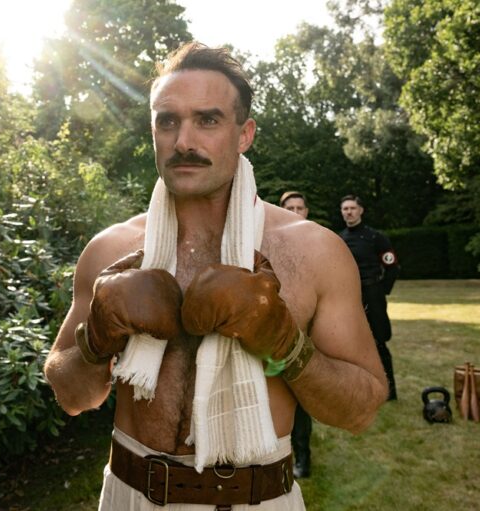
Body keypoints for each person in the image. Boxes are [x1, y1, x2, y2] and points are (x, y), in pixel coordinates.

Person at [44, 42, 388, 510]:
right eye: (168, 121)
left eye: (207, 120)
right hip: (129, 494)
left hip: (256, 499)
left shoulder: (314, 252)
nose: (183, 141)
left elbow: (361, 410)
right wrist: (96, 339)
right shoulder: (111, 251)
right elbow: (70, 394)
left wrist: (287, 346)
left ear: (244, 134)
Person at [338, 195, 400, 401]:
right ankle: (361, 389)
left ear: (361, 210)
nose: (349, 212)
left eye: (352, 208)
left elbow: (392, 267)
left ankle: (389, 391)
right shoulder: (339, 239)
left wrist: (381, 290)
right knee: (352, 342)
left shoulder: (376, 237)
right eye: (345, 209)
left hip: (373, 295)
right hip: (350, 297)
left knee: (379, 341)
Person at [278, 191, 312, 479]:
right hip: (273, 330)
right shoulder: (267, 241)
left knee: (300, 398)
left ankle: (303, 458)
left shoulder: (317, 243)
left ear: (306, 211)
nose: (295, 212)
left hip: (305, 332)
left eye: (299, 208)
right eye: (290, 208)